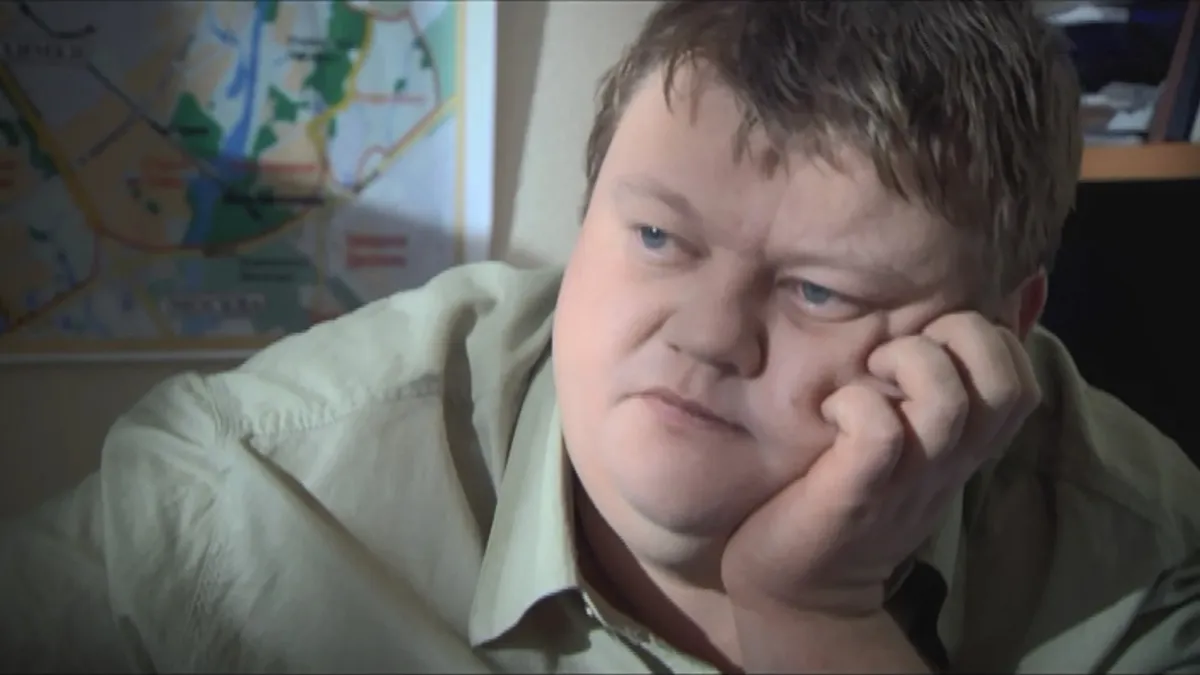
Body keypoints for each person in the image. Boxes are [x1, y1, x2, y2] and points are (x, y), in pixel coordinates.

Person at [3, 1, 1198, 672]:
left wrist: (820, 618)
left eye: (819, 292)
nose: (705, 338)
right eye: (660, 239)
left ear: (1003, 327)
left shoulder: (1141, 561)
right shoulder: (250, 490)